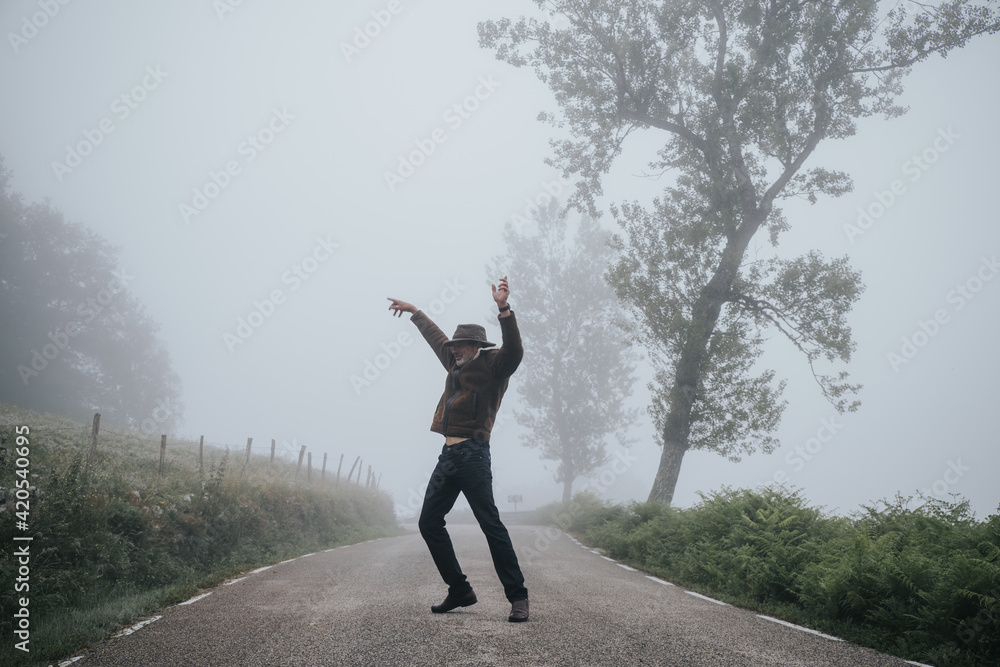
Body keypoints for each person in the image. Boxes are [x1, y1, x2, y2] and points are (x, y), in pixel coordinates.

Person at [387, 276, 529, 623]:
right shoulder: (454, 363)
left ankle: (518, 597)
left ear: (476, 346)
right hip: (448, 457)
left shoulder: (495, 365)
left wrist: (504, 309)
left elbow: (515, 351)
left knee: (490, 525)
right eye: (453, 346)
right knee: (428, 522)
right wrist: (415, 312)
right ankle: (460, 590)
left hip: (474, 455)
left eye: (460, 346)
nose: (453, 350)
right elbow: (436, 339)